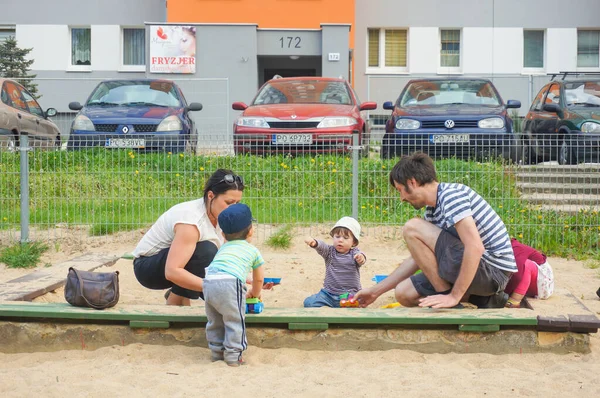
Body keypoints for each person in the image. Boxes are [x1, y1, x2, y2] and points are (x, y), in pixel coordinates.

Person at [354, 152, 517, 309]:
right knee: (404, 293)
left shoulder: (451, 196)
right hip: (479, 273)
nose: (401, 198)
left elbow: (475, 247)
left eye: (399, 190)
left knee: (412, 227)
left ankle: (450, 298)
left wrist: (453, 296)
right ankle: (484, 299)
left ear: (412, 182)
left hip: (493, 272)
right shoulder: (431, 211)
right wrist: (375, 292)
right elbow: (418, 259)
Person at [132, 169, 244, 306]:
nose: (233, 209)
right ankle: (176, 303)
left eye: (237, 203)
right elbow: (172, 271)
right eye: (229, 202)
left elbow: (227, 257)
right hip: (148, 267)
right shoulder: (191, 221)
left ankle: (178, 294)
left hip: (179, 262)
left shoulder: (222, 216)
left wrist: (248, 280)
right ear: (210, 196)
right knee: (206, 251)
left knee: (220, 273)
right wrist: (212, 287)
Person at [203, 203, 265, 367]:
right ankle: (233, 355)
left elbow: (225, 267)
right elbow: (259, 279)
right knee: (234, 319)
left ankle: (216, 353)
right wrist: (254, 293)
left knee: (215, 320)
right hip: (230, 284)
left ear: (223, 234)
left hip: (208, 282)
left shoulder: (222, 249)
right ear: (250, 231)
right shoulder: (252, 250)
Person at [303, 216, 366, 308]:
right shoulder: (329, 252)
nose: (340, 240)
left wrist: (361, 258)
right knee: (309, 303)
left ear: (354, 242)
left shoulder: (355, 253)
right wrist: (314, 243)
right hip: (328, 294)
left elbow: (362, 258)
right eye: (337, 236)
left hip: (349, 295)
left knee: (360, 302)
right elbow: (322, 246)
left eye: (345, 238)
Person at [504, 238, 554, 308]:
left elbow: (517, 275)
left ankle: (515, 300)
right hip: (531, 285)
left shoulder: (517, 248)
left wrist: (505, 292)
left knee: (526, 265)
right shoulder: (508, 249)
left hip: (543, 284)